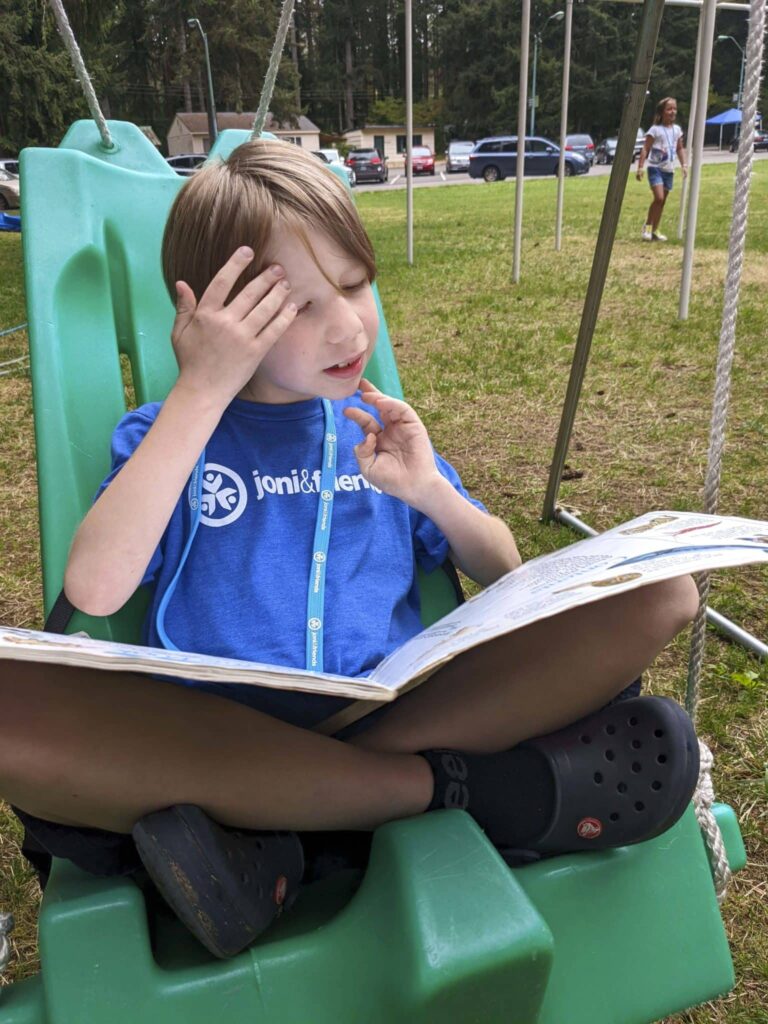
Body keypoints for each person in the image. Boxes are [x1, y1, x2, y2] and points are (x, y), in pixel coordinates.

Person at [0, 139, 701, 960]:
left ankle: (289, 829)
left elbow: (507, 568)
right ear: (216, 320)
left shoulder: (375, 430)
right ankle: (466, 794)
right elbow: (98, 586)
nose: (346, 323)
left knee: (662, 594)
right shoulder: (166, 439)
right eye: (293, 306)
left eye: (355, 284)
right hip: (216, 742)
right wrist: (200, 391)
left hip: (399, 715)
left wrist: (429, 492)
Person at [636, 97, 688, 242]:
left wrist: (684, 165)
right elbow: (646, 148)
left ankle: (655, 230)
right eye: (669, 109)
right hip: (655, 168)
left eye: (674, 109)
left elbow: (679, 148)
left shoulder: (677, 130)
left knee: (662, 201)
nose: (672, 112)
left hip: (668, 170)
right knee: (658, 198)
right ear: (662, 112)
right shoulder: (655, 130)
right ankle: (647, 227)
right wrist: (640, 167)